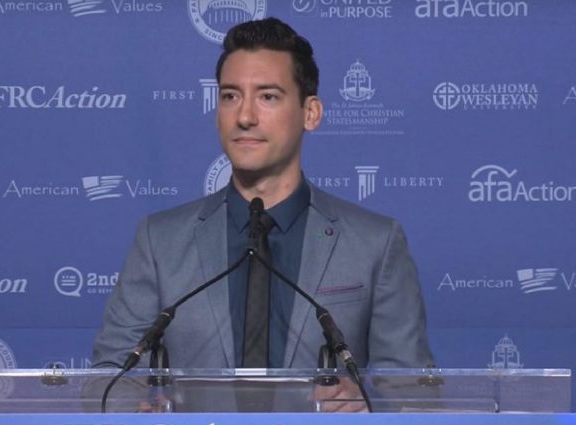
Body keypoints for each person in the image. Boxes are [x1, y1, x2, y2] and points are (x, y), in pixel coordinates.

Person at [92, 17, 434, 371]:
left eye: (268, 96)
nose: (245, 116)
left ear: (311, 113)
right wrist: (148, 398)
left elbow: (410, 386)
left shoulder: (376, 243)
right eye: (230, 96)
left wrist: (362, 397)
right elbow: (109, 376)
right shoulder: (159, 242)